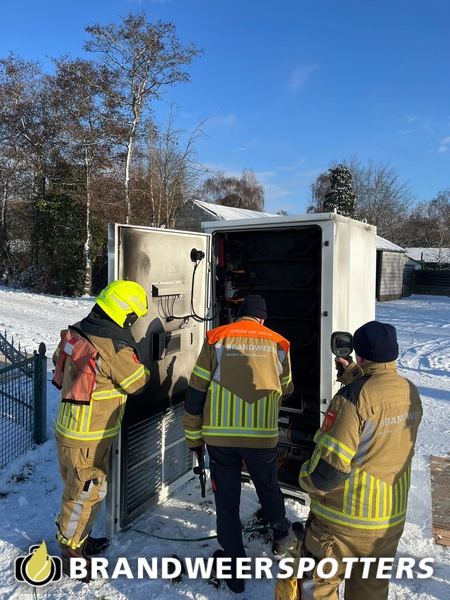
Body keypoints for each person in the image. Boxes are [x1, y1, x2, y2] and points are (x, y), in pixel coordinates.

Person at [183, 294, 302, 594]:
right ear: (262, 319)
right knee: (269, 490)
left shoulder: (216, 338)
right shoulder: (280, 343)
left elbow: (196, 391)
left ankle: (235, 572)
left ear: (239, 315)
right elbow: (286, 388)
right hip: (261, 438)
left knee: (226, 503)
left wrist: (193, 438)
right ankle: (282, 538)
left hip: (220, 438)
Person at [298, 320, 423, 600]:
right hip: (388, 523)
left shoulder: (351, 398)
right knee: (371, 591)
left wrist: (304, 479)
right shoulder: (411, 392)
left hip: (344, 524)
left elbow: (327, 474)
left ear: (360, 356)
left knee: (318, 588)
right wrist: (356, 379)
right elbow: (377, 427)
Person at [52, 280, 151, 579]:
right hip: (88, 439)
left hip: (68, 429)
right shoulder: (114, 347)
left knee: (78, 493)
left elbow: (59, 360)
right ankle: (72, 554)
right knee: (84, 496)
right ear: (126, 314)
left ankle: (79, 539)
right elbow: (137, 382)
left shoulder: (79, 329)